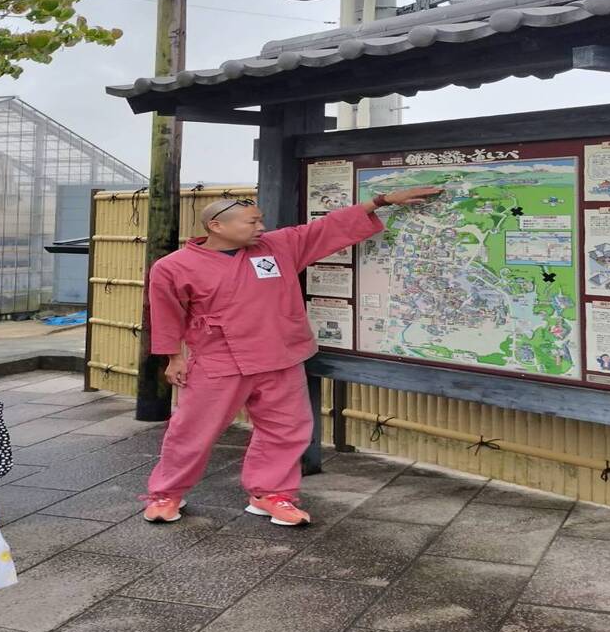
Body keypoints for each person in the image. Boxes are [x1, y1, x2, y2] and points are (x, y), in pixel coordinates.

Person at [143, 187, 441, 526]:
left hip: (281, 353)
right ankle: (166, 493)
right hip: (218, 358)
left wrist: (381, 201)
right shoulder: (173, 266)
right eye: (251, 221)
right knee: (192, 430)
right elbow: (166, 314)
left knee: (286, 429)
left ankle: (271, 493)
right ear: (216, 226)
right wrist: (173, 357)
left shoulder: (277, 246)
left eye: (261, 220)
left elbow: (326, 228)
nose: (260, 227)